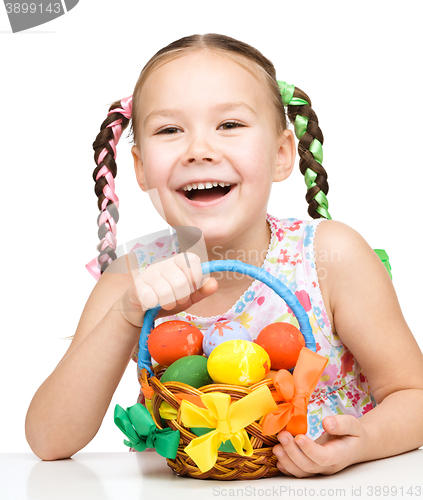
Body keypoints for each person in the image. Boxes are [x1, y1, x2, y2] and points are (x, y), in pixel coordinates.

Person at [25, 33, 423, 477]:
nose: (199, 150)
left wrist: (362, 442)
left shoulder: (331, 256)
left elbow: (414, 395)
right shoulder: (131, 278)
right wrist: (125, 315)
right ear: (139, 167)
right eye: (169, 130)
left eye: (230, 125)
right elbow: (49, 440)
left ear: (281, 153)